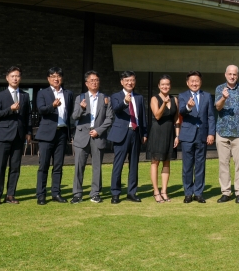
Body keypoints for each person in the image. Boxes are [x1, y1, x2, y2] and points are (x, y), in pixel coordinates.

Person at [70, 70, 113, 204]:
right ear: (86, 83)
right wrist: (81, 108)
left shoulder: (106, 99)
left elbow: (109, 118)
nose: (94, 82)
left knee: (97, 166)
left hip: (98, 136)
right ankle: (77, 193)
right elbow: (74, 116)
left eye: (96, 80)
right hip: (82, 136)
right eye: (91, 80)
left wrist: (98, 131)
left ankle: (95, 193)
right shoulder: (80, 98)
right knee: (78, 166)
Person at [0, 66, 31, 206]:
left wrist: (28, 132)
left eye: (18, 76)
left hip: (19, 136)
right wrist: (10, 109)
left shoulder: (25, 96)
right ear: (7, 78)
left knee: (15, 167)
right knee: (0, 167)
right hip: (3, 135)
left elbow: (28, 116)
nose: (15, 78)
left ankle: (10, 194)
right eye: (12, 76)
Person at [214, 65, 239, 204]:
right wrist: (223, 98)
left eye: (234, 74)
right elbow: (218, 107)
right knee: (223, 164)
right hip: (222, 132)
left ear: (238, 75)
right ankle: (225, 192)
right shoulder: (220, 89)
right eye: (230, 74)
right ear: (225, 75)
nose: (232, 76)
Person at [35, 67, 74, 205]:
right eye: (52, 76)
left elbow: (70, 114)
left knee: (58, 166)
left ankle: (56, 193)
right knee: (43, 165)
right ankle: (41, 194)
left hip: (62, 133)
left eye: (58, 76)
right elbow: (41, 110)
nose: (56, 78)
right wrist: (52, 105)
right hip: (47, 133)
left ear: (62, 78)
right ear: (48, 79)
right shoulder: (42, 93)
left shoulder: (68, 93)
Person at [108, 71, 147, 204]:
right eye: (127, 80)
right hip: (121, 134)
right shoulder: (116, 96)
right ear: (122, 82)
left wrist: (145, 133)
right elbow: (117, 109)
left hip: (135, 133)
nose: (129, 82)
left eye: (132, 80)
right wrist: (125, 101)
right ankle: (115, 193)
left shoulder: (140, 97)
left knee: (134, 165)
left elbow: (142, 117)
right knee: (118, 165)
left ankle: (132, 192)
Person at [178, 71, 216, 203]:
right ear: (187, 83)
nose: (194, 83)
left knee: (200, 165)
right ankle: (188, 193)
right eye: (192, 81)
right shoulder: (182, 96)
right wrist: (188, 106)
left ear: (201, 82)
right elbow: (181, 111)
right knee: (187, 166)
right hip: (187, 135)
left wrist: (211, 133)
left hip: (202, 135)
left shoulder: (207, 96)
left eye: (197, 81)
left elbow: (211, 116)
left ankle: (198, 193)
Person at [147, 75, 180, 203]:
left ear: (170, 86)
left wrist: (177, 135)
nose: (165, 86)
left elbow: (176, 118)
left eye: (167, 84)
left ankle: (164, 191)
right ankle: (156, 191)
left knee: (167, 161)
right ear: (159, 86)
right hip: (157, 132)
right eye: (162, 84)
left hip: (170, 132)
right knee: (155, 161)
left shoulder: (175, 99)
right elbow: (157, 115)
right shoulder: (154, 99)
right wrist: (164, 103)